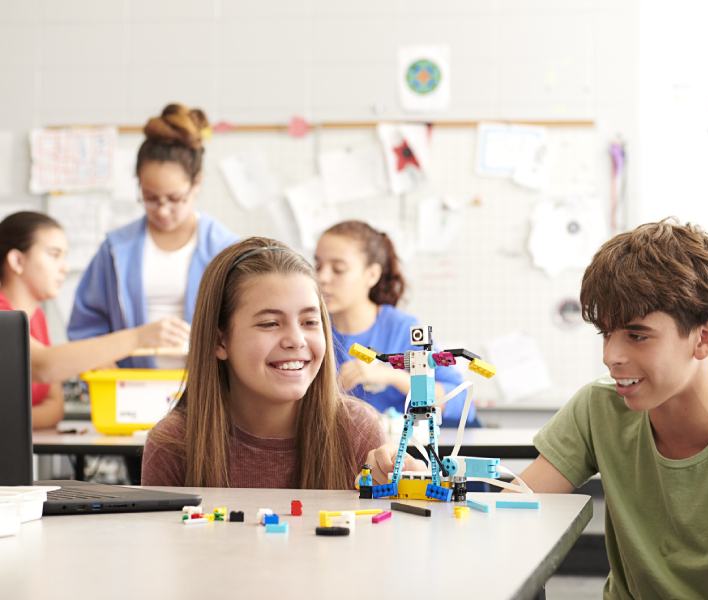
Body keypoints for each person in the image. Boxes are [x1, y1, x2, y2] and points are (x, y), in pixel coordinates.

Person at [510, 218, 708, 599]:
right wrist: (425, 478)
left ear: (705, 337)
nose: (610, 356)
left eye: (637, 335)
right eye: (606, 333)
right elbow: (513, 510)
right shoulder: (599, 406)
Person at [141, 238, 422, 488]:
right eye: (270, 323)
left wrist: (404, 492)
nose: (296, 340)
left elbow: (376, 542)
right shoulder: (174, 444)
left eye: (310, 322)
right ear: (219, 342)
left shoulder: (357, 431)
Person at [67, 103, 238, 369]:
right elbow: (85, 328)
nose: (163, 210)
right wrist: (108, 373)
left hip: (207, 394)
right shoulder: (115, 250)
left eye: (174, 198)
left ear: (197, 183)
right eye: (150, 198)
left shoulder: (226, 251)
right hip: (131, 391)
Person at [0, 211, 193, 430]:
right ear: (16, 260)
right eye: (54, 255)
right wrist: (140, 337)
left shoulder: (36, 318)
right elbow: (43, 365)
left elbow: (55, 407)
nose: (65, 267)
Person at [315, 220, 476, 426]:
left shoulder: (401, 329)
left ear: (371, 275)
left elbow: (463, 403)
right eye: (318, 265)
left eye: (338, 269)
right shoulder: (309, 327)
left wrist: (393, 376)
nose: (321, 277)